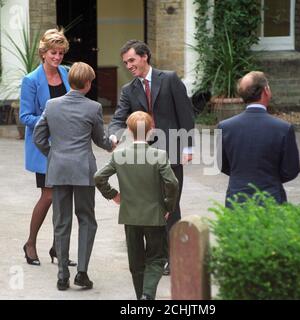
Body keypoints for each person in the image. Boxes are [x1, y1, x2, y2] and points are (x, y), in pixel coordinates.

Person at [108, 40, 195, 275]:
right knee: (151, 205)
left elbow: (185, 114)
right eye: (125, 62)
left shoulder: (169, 79)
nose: (128, 66)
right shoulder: (129, 90)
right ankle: (158, 255)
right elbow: (118, 118)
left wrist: (187, 147)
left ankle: (174, 257)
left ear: (144, 56)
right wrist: (113, 136)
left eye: (132, 60)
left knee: (171, 205)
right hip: (144, 157)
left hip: (172, 152)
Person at [33, 62, 113, 290]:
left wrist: (54, 155)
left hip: (58, 169)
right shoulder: (94, 107)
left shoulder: (52, 104)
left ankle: (61, 275)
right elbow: (100, 140)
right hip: (83, 169)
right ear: (88, 83)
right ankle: (82, 273)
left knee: (61, 221)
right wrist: (112, 143)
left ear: (70, 81)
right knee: (86, 218)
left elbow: (38, 137)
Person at [95, 111, 179, 300]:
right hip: (154, 215)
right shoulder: (159, 155)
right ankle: (148, 295)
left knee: (136, 262)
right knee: (157, 258)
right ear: (151, 131)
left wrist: (114, 195)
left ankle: (141, 296)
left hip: (130, 216)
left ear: (129, 132)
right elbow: (172, 183)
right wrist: (168, 206)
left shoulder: (120, 155)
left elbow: (99, 177)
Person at [19, 28, 76, 266]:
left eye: (61, 53)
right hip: (44, 148)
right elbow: (25, 116)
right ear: (44, 52)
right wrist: (50, 122)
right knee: (50, 195)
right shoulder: (31, 80)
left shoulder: (66, 73)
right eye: (53, 52)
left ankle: (58, 249)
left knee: (64, 198)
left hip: (68, 146)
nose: (57, 57)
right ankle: (30, 243)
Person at [217, 71, 300, 207]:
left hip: (237, 198)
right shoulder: (283, 128)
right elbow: (291, 170)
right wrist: (270, 179)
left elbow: (222, 164)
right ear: (266, 90)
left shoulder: (225, 127)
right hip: (271, 198)